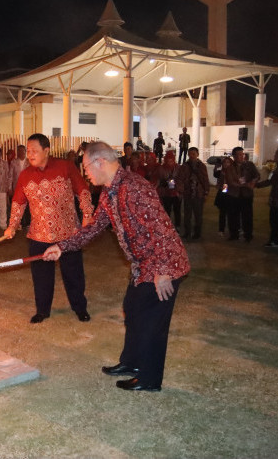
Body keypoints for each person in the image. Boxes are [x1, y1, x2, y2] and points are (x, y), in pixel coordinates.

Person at [43, 141, 189, 392]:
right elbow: (95, 226)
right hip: (143, 264)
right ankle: (131, 363)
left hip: (163, 264)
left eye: (86, 167)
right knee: (131, 308)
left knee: (150, 321)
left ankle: (149, 379)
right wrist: (62, 246)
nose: (85, 173)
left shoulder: (134, 188)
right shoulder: (111, 192)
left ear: (100, 162)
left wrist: (163, 271)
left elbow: (161, 229)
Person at [5, 133, 94, 324]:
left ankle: (80, 308)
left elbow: (83, 190)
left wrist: (87, 215)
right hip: (39, 235)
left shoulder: (65, 167)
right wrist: (12, 226)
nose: (30, 154)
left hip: (68, 233)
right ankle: (42, 311)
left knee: (74, 275)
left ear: (46, 151)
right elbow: (18, 203)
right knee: (41, 278)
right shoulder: (25, 175)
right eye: (28, 151)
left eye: (35, 151)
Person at [224, 146, 260, 242]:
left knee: (247, 215)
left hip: (246, 195)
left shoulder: (249, 165)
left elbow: (257, 175)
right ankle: (234, 234)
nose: (241, 156)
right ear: (234, 156)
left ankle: (248, 235)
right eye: (239, 154)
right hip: (234, 195)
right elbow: (230, 182)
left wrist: (253, 181)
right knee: (233, 215)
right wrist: (245, 185)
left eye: (242, 154)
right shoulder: (230, 168)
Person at [177, 147, 210, 240]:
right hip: (188, 193)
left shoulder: (202, 166)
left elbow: (205, 180)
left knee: (198, 215)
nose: (192, 156)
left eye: (193, 154)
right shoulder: (185, 166)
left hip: (198, 193)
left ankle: (197, 233)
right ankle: (187, 232)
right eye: (190, 154)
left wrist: (206, 192)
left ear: (197, 154)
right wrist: (180, 190)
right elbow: (180, 178)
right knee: (187, 215)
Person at [157, 151, 181, 229]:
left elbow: (181, 179)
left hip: (176, 192)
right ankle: (167, 225)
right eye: (168, 160)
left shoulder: (178, 168)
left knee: (177, 210)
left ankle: (177, 225)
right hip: (166, 192)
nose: (169, 162)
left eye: (171, 161)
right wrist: (166, 181)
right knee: (167, 210)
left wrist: (176, 183)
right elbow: (160, 179)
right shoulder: (161, 168)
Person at [214, 157, 233, 236]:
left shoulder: (233, 172)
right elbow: (215, 174)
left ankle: (233, 229)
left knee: (231, 213)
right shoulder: (220, 172)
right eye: (224, 162)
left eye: (228, 162)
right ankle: (221, 229)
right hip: (222, 194)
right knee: (222, 213)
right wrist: (216, 167)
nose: (226, 164)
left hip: (231, 194)